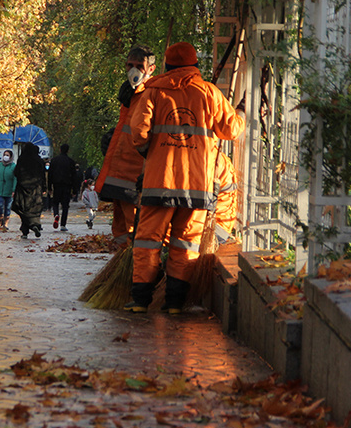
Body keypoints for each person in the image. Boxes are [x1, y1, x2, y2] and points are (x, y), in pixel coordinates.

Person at [126, 42, 246, 314]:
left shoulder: (153, 92)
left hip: (159, 183)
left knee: (147, 240)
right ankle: (175, 303)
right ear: (194, 66)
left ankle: (141, 301)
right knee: (185, 244)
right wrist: (241, 112)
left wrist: (151, 152)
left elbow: (138, 132)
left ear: (167, 65)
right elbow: (231, 130)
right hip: (197, 187)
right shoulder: (209, 93)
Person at [95, 46, 158, 245]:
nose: (134, 70)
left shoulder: (152, 95)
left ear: (151, 69)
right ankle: (123, 263)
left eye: (140, 66)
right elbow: (128, 129)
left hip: (134, 177)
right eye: (130, 65)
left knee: (135, 230)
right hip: (119, 176)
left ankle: (136, 269)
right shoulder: (130, 95)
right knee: (120, 230)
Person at [12, 143, 46, 239]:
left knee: (22, 208)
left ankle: (26, 229)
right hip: (36, 189)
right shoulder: (39, 161)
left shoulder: (22, 159)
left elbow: (16, 172)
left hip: (22, 189)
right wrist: (44, 188)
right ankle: (35, 224)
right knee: (34, 209)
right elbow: (42, 175)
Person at [48, 144, 77, 231]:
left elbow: (50, 174)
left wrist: (49, 187)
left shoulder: (54, 161)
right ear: (68, 150)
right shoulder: (71, 162)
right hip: (67, 185)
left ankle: (56, 214)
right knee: (65, 206)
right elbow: (74, 176)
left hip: (56, 185)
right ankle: (63, 225)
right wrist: (74, 190)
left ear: (60, 150)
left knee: (55, 202)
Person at [0, 150, 17, 229]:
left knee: (7, 207)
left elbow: (15, 179)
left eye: (7, 155)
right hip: (0, 189)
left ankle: (6, 223)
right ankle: (0, 220)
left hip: (9, 190)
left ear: (10, 157)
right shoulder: (0, 165)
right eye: (4, 155)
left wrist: (14, 190)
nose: (5, 156)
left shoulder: (13, 166)